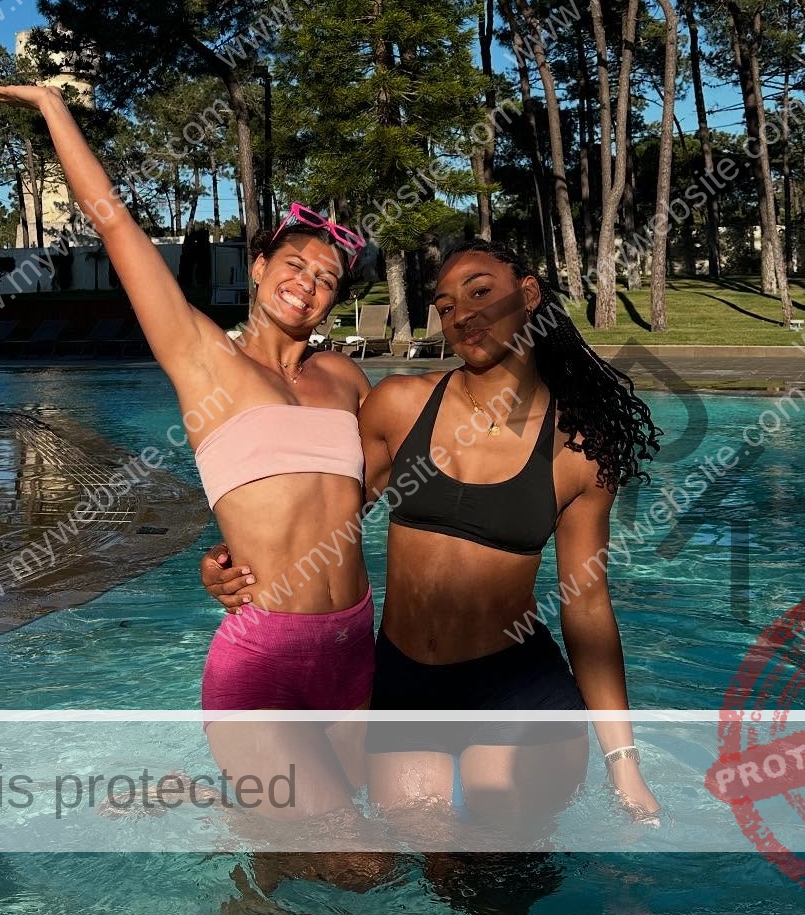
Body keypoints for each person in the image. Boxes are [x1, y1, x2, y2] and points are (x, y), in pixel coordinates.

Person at [0, 83, 377, 815]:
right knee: (360, 863)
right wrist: (51, 109)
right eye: (295, 265)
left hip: (353, 644)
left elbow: (362, 492)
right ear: (258, 267)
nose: (308, 285)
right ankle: (198, 797)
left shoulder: (346, 379)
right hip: (263, 654)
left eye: (327, 280)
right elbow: (114, 223)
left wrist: (221, 555)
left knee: (295, 880)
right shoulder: (203, 358)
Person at [203, 237, 663, 828]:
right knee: (416, 864)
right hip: (405, 689)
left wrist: (624, 762)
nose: (461, 315)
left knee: (498, 879)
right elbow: (321, 510)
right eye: (445, 306)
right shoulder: (399, 406)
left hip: (515, 687)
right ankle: (226, 811)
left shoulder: (577, 450)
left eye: (479, 293)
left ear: (528, 295)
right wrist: (226, 562)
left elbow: (589, 606)